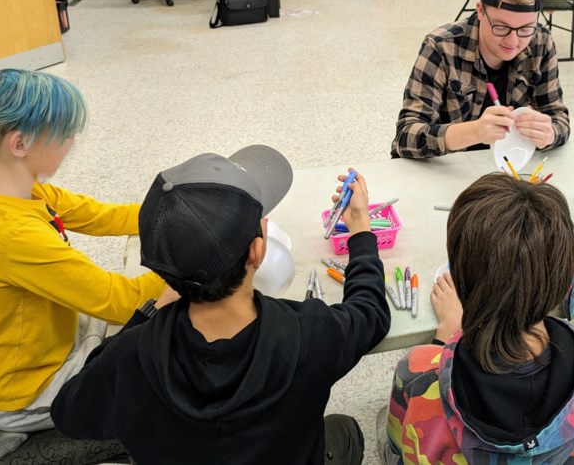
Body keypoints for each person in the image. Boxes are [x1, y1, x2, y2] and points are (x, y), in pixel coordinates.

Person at [51, 147, 390, 465]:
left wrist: (148, 314)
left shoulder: (128, 359)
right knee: (345, 429)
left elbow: (69, 413)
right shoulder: (310, 333)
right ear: (258, 253)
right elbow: (371, 312)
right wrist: (360, 230)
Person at [0, 69, 168, 458]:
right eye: (63, 132)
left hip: (43, 341)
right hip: (21, 392)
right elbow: (118, 299)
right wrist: (194, 264)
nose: (71, 141)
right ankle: (25, 426)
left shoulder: (10, 191)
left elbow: (99, 214)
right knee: (159, 369)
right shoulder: (13, 235)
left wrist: (170, 210)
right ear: (20, 143)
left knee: (118, 326)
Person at [379, 173, 574, 463]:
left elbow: (400, 448)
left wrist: (444, 338)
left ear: (459, 278)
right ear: (559, 278)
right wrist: (545, 263)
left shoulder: (420, 373)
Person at [391, 0, 570, 159]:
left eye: (526, 29)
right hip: (445, 168)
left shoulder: (541, 42)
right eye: (501, 27)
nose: (513, 41)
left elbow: (559, 118)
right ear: (480, 11)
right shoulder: (442, 47)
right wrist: (474, 132)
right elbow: (405, 137)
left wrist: (549, 134)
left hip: (502, 168)